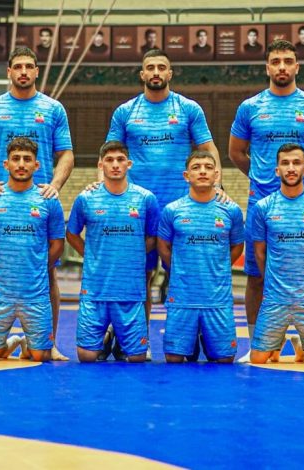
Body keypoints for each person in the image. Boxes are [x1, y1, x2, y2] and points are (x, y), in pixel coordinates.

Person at [106, 48, 222, 360]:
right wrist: (103, 188)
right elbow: (111, 153)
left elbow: (208, 148)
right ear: (142, 74)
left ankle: (188, 339)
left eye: (161, 67)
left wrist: (217, 185)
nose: (156, 72)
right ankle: (136, 341)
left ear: (170, 73)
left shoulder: (188, 109)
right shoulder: (125, 112)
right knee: (138, 278)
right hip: (138, 210)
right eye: (150, 67)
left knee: (185, 276)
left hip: (181, 209)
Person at [228, 39, 304, 363]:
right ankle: (257, 342)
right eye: (275, 61)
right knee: (256, 275)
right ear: (267, 67)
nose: (281, 67)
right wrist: (264, 178)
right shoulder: (250, 107)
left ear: (296, 67)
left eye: (287, 61)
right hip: (261, 200)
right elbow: (236, 152)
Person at [0, 47, 74, 360]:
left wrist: (54, 186)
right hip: (2, 202)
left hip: (39, 202)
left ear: (37, 71)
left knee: (48, 274)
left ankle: (47, 341)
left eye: (29, 66)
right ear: (9, 71)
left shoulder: (53, 108)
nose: (24, 71)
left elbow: (66, 153)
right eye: (18, 66)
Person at [66, 141, 159, 363]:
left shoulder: (146, 198)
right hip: (95, 289)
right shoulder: (86, 198)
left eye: (120, 160)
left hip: (130, 290)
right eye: (109, 160)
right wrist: (92, 255)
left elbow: (153, 237)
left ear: (129, 164)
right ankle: (107, 337)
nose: (115, 165)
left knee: (137, 358)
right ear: (101, 165)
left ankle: (119, 336)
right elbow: (72, 234)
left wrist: (135, 254)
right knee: (86, 357)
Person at [0, 137, 65, 362]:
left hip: (35, 293)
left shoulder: (48, 200)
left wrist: (38, 267)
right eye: (16, 159)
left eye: (27, 159)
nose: (21, 164)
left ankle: (28, 344)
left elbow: (57, 244)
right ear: (6, 164)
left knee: (41, 356)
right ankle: (13, 341)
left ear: (37, 165)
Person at [250, 143, 304, 365]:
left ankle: (302, 343)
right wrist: (272, 279)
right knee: (257, 360)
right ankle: (276, 344)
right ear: (277, 170)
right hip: (275, 297)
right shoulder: (263, 207)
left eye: (296, 163)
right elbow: (260, 252)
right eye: (285, 163)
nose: (290, 168)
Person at [157, 151, 244, 363]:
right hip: (182, 296)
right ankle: (192, 338)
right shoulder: (172, 210)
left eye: (208, 167)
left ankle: (204, 336)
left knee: (225, 359)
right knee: (174, 358)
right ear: (186, 176)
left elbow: (237, 246)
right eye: (196, 167)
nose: (202, 171)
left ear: (216, 175)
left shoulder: (231, 210)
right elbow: (163, 247)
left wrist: (219, 268)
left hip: (217, 297)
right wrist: (179, 271)